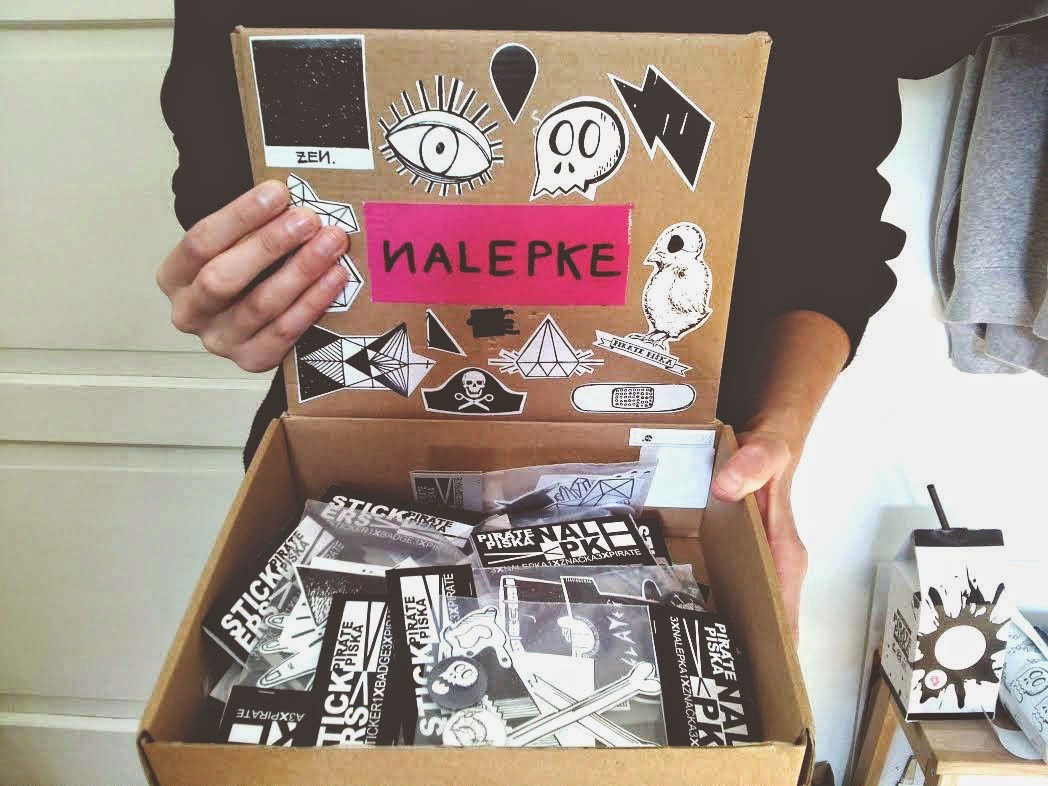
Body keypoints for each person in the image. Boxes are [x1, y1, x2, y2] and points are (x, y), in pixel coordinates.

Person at [156, 1, 1008, 638]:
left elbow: (831, 244)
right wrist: (241, 299)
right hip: (340, 486)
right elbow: (227, 192)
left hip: (687, 487)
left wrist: (774, 441)